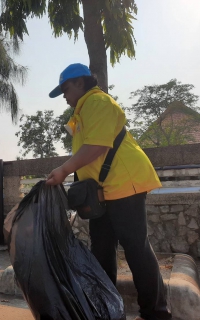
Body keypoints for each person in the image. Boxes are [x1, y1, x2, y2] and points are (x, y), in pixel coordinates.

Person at [45, 63, 172, 320]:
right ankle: (107, 309)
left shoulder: (97, 102)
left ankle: (156, 312)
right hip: (103, 193)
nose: (65, 97)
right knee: (101, 250)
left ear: (81, 83)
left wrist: (64, 170)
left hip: (125, 184)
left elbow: (97, 147)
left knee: (136, 248)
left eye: (66, 90)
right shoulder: (81, 114)